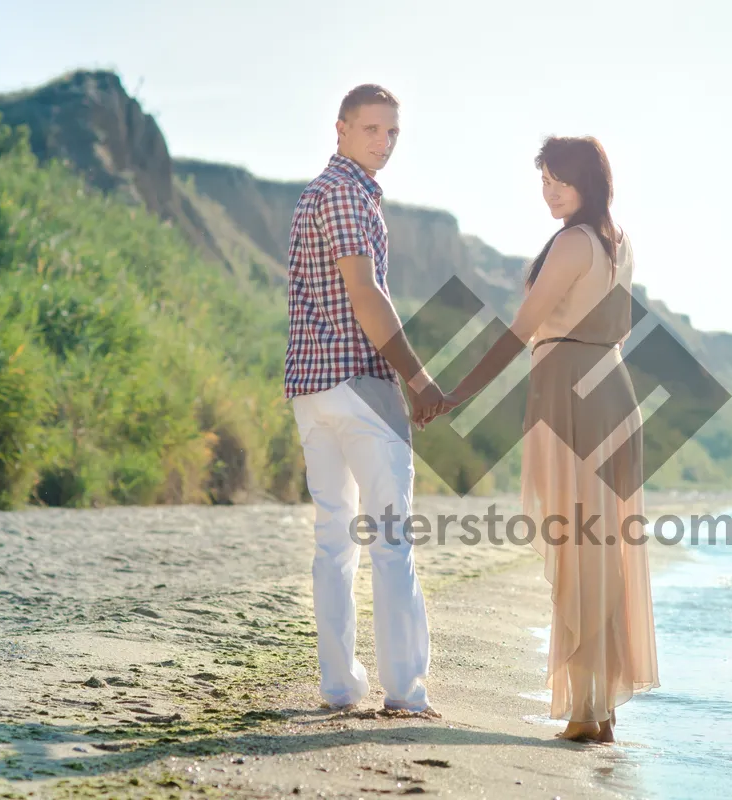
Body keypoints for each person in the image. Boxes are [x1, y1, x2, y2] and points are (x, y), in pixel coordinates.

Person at [440, 135, 659, 741]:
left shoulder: (573, 241)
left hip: (570, 391)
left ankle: (588, 713)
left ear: (591, 181)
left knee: (577, 548)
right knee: (599, 550)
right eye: (544, 179)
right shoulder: (620, 242)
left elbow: (519, 332)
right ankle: (598, 708)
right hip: (610, 389)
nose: (550, 191)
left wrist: (458, 394)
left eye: (561, 179)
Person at [284, 83, 443, 716]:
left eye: (393, 133)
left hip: (310, 390)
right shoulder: (350, 194)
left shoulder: (312, 195)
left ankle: (341, 688)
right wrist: (417, 377)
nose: (384, 143)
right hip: (359, 385)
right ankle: (404, 693)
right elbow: (367, 294)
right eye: (372, 129)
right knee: (391, 540)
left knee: (332, 542)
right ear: (341, 129)